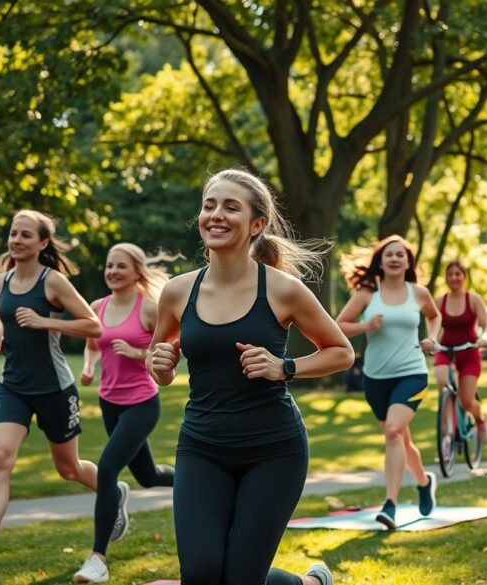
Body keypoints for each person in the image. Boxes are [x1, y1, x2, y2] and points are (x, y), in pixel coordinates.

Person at [147, 168, 351, 585]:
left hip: (273, 451)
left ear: (256, 224)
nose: (215, 215)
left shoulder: (282, 290)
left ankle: (309, 583)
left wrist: (285, 367)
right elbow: (160, 361)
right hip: (202, 447)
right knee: (203, 573)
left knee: (242, 579)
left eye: (230, 207)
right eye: (209, 205)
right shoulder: (177, 291)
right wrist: (160, 367)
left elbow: (342, 352)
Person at [0, 210, 103, 583]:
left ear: (42, 243)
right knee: (1, 458)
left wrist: (47, 321)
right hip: (12, 384)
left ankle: (113, 492)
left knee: (69, 469)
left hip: (54, 387)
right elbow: (6, 312)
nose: (16, 240)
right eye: (13, 233)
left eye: (26, 235)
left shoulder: (54, 282)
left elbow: (94, 325)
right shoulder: (2, 280)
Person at [73, 243, 181, 583]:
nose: (112, 272)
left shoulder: (148, 309)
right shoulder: (97, 307)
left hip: (142, 403)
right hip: (109, 401)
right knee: (147, 476)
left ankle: (97, 560)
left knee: (106, 469)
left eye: (120, 266)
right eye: (109, 266)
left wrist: (136, 352)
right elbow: (92, 344)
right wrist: (88, 368)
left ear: (137, 271)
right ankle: (197, 478)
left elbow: (165, 351)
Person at [336, 235, 442, 530]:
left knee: (394, 432)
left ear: (408, 262)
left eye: (400, 255)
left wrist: (432, 338)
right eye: (389, 255)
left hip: (412, 372)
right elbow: (338, 325)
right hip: (376, 378)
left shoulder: (418, 293)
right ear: (380, 261)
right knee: (401, 439)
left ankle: (390, 506)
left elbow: (435, 316)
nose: (395, 259)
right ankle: (424, 481)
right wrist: (365, 326)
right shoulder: (367, 294)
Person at [432, 260, 487, 440]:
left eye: (458, 274)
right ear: (446, 278)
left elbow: (486, 323)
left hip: (469, 353)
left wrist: (485, 336)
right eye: (450, 274)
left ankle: (480, 418)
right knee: (443, 383)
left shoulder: (473, 300)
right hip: (446, 351)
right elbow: (434, 325)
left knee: (466, 401)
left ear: (464, 277)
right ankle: (448, 431)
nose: (454, 278)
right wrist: (432, 340)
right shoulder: (440, 301)